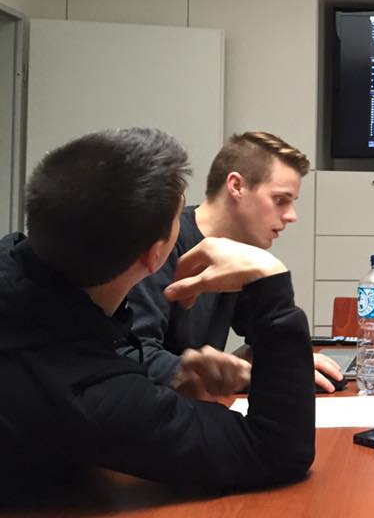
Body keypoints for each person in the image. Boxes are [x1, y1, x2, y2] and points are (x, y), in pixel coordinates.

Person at [0, 128, 315, 499]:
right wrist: (271, 278)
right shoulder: (91, 394)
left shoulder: (15, 268)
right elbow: (277, 450)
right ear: (155, 256)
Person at [118, 131, 344, 396]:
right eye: (280, 200)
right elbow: (134, 355)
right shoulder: (165, 243)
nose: (291, 216)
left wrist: (292, 361)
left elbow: (264, 332)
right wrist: (252, 377)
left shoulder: (237, 252)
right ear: (236, 186)